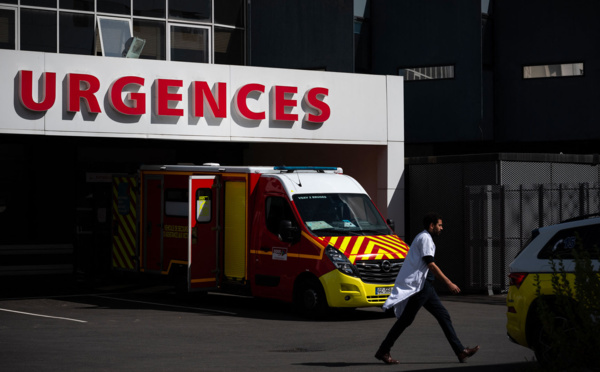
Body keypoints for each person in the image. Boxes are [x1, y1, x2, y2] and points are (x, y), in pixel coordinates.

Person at [374, 212, 479, 365]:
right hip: (420, 287)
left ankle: (460, 351)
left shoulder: (424, 237)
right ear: (432, 226)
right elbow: (430, 264)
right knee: (406, 320)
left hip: (426, 286)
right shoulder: (425, 238)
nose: (442, 228)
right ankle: (383, 350)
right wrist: (448, 283)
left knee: (443, 316)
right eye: (440, 225)